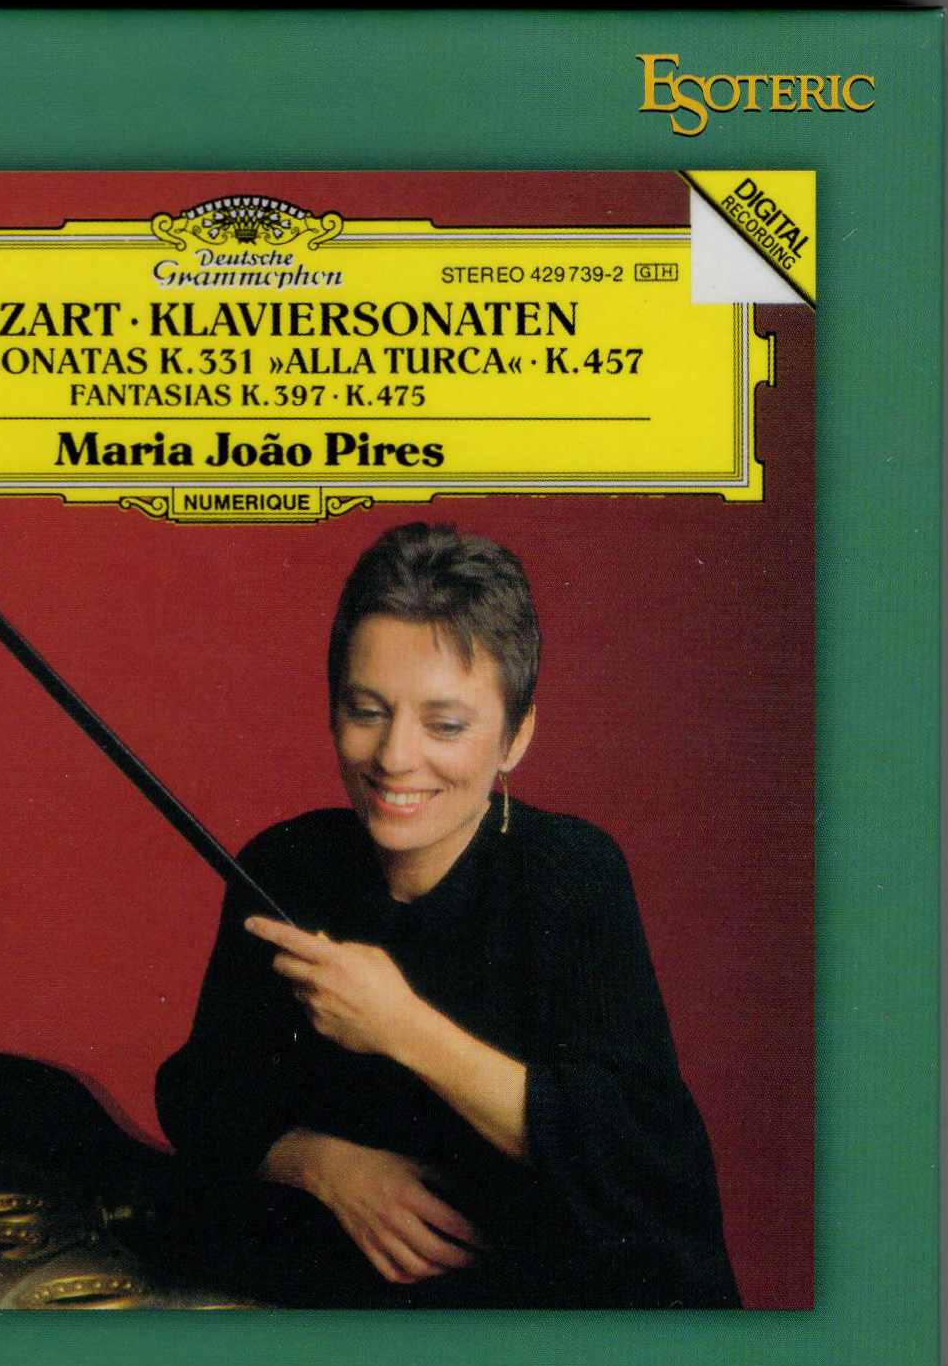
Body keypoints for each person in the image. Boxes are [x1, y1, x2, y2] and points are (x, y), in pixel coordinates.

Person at [154, 523, 741, 1308]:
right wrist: (322, 1164)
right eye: (367, 711)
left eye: (445, 725)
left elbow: (641, 1162)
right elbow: (199, 1095)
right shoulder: (284, 863)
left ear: (515, 737)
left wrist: (399, 1026)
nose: (394, 757)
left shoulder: (570, 875)